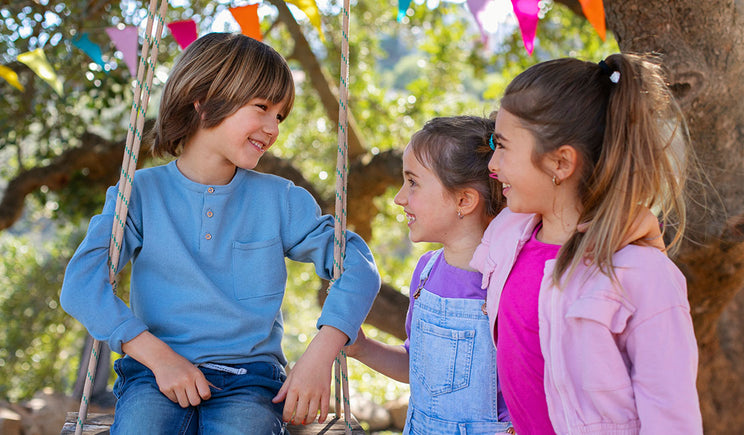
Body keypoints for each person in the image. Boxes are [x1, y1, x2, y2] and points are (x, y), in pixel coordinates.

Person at [60, 32, 380, 434]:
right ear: (204, 100)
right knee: (142, 425)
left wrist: (322, 351)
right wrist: (157, 356)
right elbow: (80, 285)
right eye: (261, 107)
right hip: (152, 374)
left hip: (250, 379)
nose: (272, 127)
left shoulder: (278, 199)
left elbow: (358, 266)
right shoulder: (137, 195)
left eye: (279, 116)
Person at [345, 116, 661, 435]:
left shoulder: (513, 280)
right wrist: (364, 348)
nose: (399, 197)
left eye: (412, 182)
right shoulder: (426, 272)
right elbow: (423, 370)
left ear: (464, 201)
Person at [470, 53, 703, 434]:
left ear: (560, 163)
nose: (491, 163)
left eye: (503, 145)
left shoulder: (645, 275)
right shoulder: (506, 233)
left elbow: (672, 421)